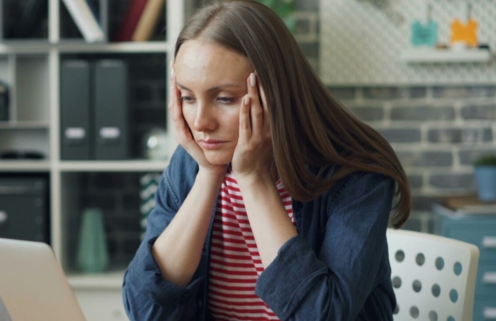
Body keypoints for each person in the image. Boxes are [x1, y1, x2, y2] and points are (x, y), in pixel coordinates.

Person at [122, 1, 411, 320]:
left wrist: (254, 180)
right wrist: (207, 175)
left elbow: (322, 315)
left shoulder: (355, 174)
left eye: (224, 99)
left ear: (277, 93)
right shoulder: (191, 163)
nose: (201, 122)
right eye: (188, 97)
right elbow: (145, 311)